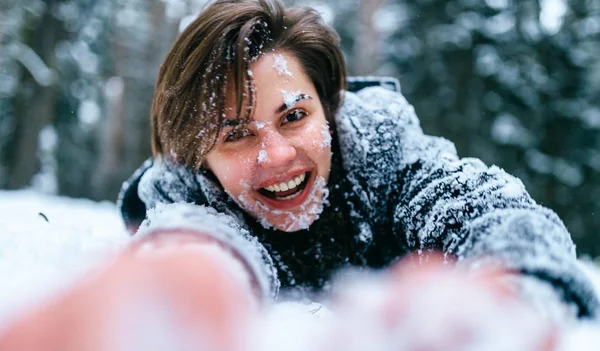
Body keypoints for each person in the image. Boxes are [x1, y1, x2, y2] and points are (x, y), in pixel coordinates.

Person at [118, 0, 598, 319]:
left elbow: (481, 207)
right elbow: (198, 246)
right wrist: (186, 290)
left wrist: (517, 289)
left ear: (329, 106)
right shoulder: (188, 193)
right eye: (237, 135)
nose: (277, 155)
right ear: (199, 155)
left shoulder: (386, 155)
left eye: (294, 117)